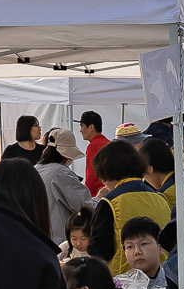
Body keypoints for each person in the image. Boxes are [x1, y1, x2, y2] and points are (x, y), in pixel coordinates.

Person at [94, 138, 173, 277]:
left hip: (125, 282)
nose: (105, 185)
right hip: (163, 278)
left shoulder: (109, 202)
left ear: (108, 173)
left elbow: (99, 249)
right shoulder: (161, 198)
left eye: (103, 179)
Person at [33, 135, 92, 244]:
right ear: (65, 154)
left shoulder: (35, 169)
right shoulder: (61, 172)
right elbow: (83, 205)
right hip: (58, 238)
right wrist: (100, 197)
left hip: (37, 235)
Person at [78, 111, 109, 196]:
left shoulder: (93, 147)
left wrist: (87, 196)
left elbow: (91, 174)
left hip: (99, 194)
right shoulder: (109, 143)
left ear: (91, 127)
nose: (81, 130)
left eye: (82, 126)